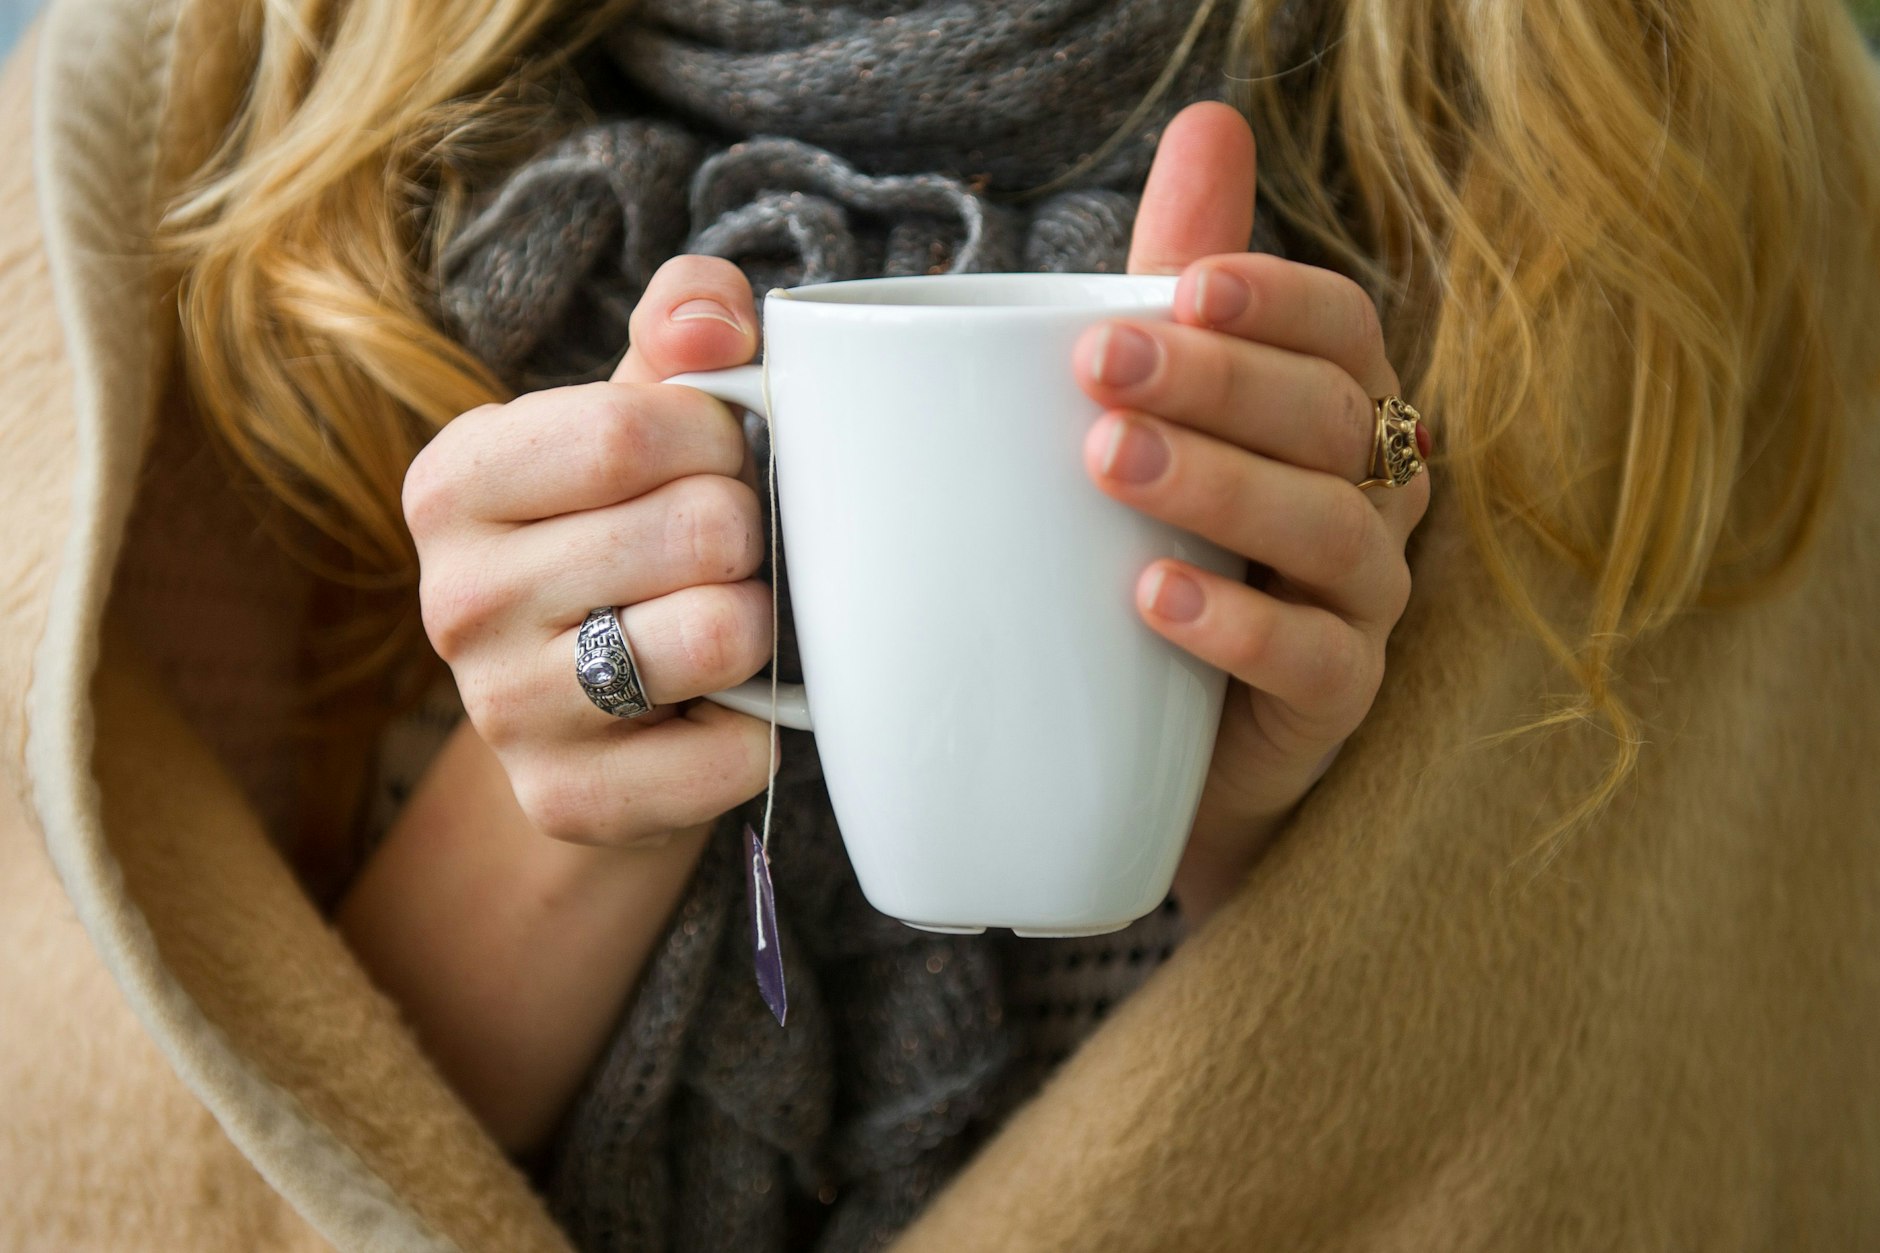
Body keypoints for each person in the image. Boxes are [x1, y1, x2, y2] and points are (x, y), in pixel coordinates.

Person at [1, 1, 1877, 1251]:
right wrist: (602, 745)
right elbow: (180, 1172)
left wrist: (1305, 838)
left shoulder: (1689, 153)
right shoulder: (185, 127)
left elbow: (1677, 1121)